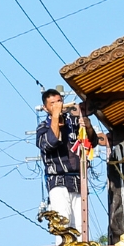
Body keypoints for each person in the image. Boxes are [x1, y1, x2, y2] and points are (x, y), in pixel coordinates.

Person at [36, 88, 80, 221]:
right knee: (62, 222)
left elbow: (92, 142)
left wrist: (87, 126)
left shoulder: (74, 123)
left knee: (80, 225)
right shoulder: (43, 127)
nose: (58, 105)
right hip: (57, 181)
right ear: (45, 108)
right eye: (53, 104)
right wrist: (55, 116)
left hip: (78, 181)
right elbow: (50, 142)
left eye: (59, 102)